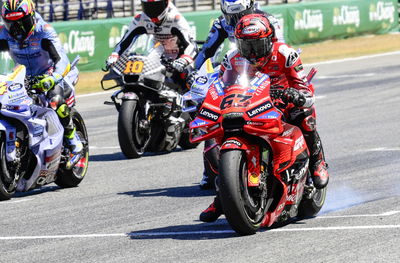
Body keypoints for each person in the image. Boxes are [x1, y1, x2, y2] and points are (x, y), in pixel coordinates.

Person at [200, 14, 329, 222]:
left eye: (256, 45)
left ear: (269, 40)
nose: (251, 51)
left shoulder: (285, 54)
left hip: (282, 104)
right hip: (246, 105)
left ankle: (317, 162)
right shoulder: (233, 58)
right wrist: (204, 95)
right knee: (218, 130)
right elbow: (218, 84)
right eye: (245, 45)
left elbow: (303, 87)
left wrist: (296, 95)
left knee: (303, 115)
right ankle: (224, 196)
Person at [192, 0, 284, 190]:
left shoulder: (268, 20)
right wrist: (194, 70)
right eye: (230, 16)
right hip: (235, 70)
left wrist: (275, 79)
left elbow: (279, 49)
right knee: (211, 112)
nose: (234, 21)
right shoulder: (220, 23)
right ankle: (211, 170)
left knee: (281, 111)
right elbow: (208, 50)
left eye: (238, 15)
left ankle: (280, 160)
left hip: (263, 71)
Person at [0, 0, 82, 167]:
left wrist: (53, 78)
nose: (16, 28)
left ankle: (74, 143)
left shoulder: (44, 31)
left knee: (55, 100)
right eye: (11, 23)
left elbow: (61, 60)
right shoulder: (3, 34)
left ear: (31, 17)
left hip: (50, 74)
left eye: (21, 22)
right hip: (20, 77)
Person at [106, 0, 197, 83]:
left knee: (189, 80)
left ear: (166, 3)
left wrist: (184, 60)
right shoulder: (140, 19)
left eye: (156, 6)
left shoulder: (175, 18)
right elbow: (125, 41)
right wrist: (115, 55)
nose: (152, 10)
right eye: (148, 6)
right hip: (157, 58)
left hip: (179, 58)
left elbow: (191, 44)